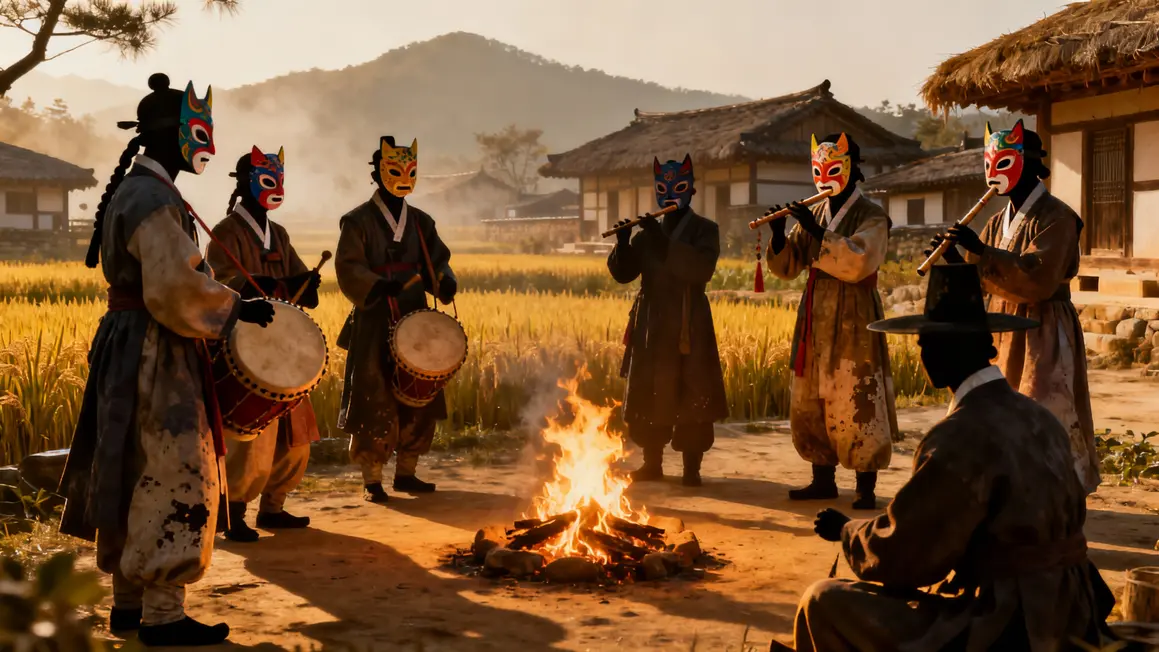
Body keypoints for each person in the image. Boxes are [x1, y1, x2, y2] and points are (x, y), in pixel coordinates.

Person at [773, 263, 1115, 652]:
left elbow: (906, 554)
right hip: (1073, 608)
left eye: (925, 343)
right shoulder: (1038, 416)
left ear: (940, 353)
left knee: (823, 601)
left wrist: (847, 531)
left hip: (1010, 622)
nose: (922, 354)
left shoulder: (959, 436)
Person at [58, 73, 275, 647]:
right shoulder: (153, 198)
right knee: (175, 471)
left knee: (131, 468)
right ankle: (162, 614)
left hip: (127, 344)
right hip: (156, 348)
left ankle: (128, 605)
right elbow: (175, 286)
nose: (205, 146)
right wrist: (236, 308)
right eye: (199, 133)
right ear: (176, 136)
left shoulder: (140, 192)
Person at [934, 119, 1099, 494]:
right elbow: (985, 277)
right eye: (990, 163)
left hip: (1043, 328)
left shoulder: (1058, 217)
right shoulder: (995, 221)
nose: (994, 172)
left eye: (1003, 162)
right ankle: (1006, 495)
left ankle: (1056, 495)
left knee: (1042, 408)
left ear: (1029, 164)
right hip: (1000, 327)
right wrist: (960, 259)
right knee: (992, 412)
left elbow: (1038, 279)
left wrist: (981, 251)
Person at [765, 133, 898, 510]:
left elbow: (858, 261)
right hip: (815, 312)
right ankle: (821, 477)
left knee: (855, 392)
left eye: (833, 168)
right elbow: (789, 267)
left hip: (854, 311)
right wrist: (779, 237)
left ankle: (865, 486)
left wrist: (818, 232)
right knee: (812, 394)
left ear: (853, 169)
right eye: (818, 170)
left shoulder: (871, 214)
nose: (824, 177)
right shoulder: (816, 213)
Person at [206, 147, 322, 542]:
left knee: (295, 434)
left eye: (280, 180)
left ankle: (273, 507)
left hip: (283, 345)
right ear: (245, 183)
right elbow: (221, 282)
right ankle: (234, 511)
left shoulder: (280, 234)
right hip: (245, 346)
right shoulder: (225, 232)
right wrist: (266, 286)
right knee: (249, 439)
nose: (276, 188)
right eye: (267, 180)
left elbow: (296, 282)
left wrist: (305, 285)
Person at [334, 136, 457, 503]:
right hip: (374, 316)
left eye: (410, 170)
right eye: (394, 170)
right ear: (377, 173)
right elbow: (348, 266)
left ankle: (407, 472)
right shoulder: (356, 221)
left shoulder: (421, 221)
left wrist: (445, 280)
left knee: (421, 390)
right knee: (375, 394)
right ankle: (372, 478)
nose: (403, 177)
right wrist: (375, 285)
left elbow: (437, 262)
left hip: (414, 312)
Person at [607, 154, 728, 487]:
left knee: (692, 389)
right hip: (652, 322)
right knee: (650, 388)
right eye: (663, 188)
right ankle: (652, 462)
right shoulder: (647, 233)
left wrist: (661, 241)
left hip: (689, 322)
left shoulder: (705, 230)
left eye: (678, 187)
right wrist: (622, 243)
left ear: (691, 189)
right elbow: (624, 273)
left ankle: (692, 467)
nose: (670, 194)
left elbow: (700, 269)